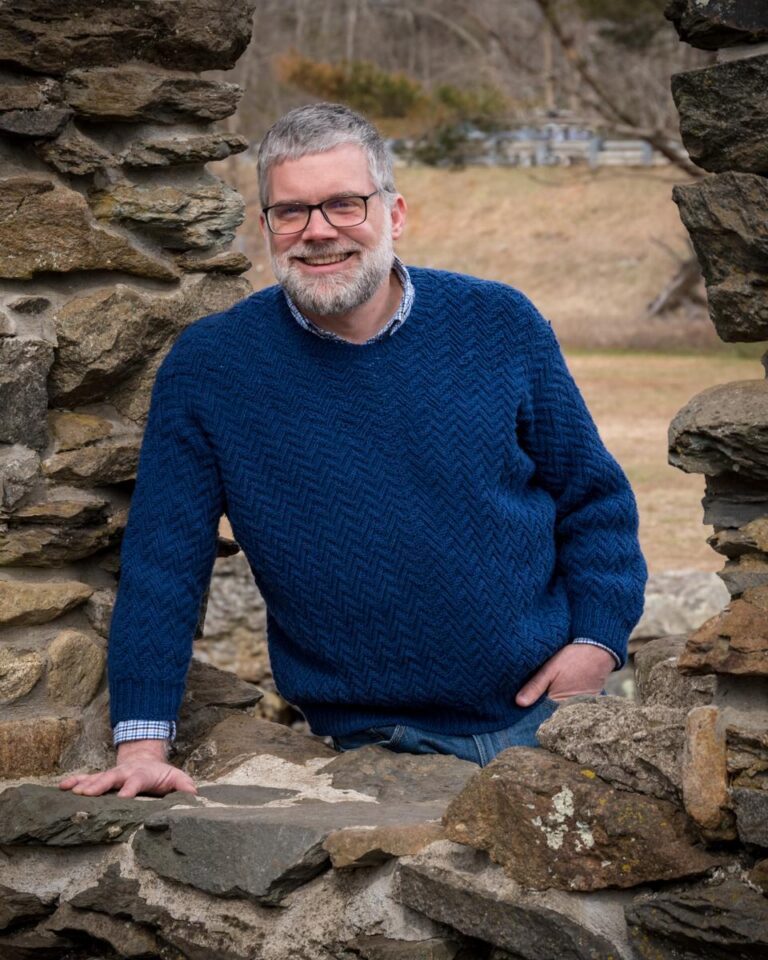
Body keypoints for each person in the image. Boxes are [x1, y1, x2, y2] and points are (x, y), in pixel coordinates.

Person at [60, 103, 647, 799]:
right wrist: (141, 744)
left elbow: (593, 499)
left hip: (550, 718)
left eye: (344, 204)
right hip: (373, 746)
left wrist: (598, 644)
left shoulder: (499, 323)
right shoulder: (213, 368)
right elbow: (163, 562)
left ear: (395, 214)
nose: (318, 232)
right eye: (292, 212)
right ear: (267, 227)